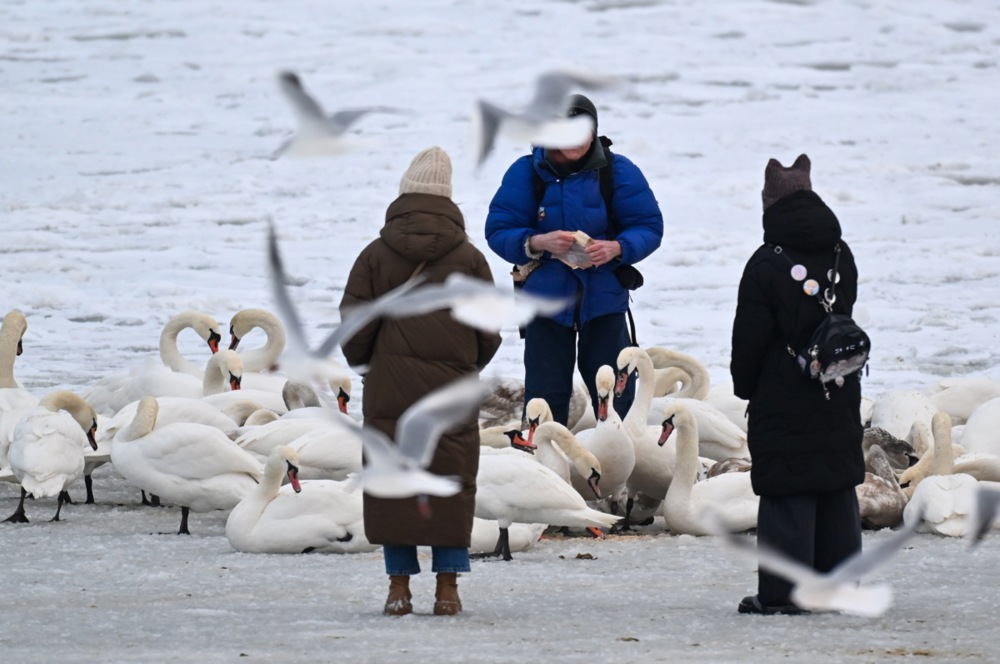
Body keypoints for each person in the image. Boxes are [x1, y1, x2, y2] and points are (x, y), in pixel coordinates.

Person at [339, 146, 502, 617]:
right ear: (448, 199)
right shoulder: (469, 258)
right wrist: (464, 363)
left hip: (390, 384)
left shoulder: (374, 255)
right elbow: (489, 332)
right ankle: (448, 589)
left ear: (403, 195)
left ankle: (398, 589)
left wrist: (371, 363)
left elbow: (354, 324)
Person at [730, 154, 865, 615]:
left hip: (783, 390)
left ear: (769, 204)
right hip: (839, 384)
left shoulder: (766, 263)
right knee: (835, 483)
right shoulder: (841, 253)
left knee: (788, 488)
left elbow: (749, 338)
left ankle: (787, 595)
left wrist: (746, 387)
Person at [484, 94, 663, 426]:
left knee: (615, 395)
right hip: (546, 301)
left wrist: (617, 248)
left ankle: (619, 470)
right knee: (544, 398)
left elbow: (649, 226)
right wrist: (537, 242)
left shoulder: (618, 170)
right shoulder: (526, 173)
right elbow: (498, 230)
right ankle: (541, 468)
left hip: (605, 300)